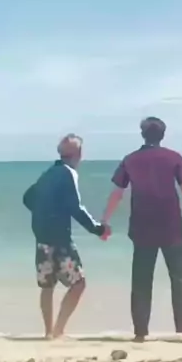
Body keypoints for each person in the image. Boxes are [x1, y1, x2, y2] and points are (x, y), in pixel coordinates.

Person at [101, 117, 182, 342]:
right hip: (171, 225)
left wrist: (104, 221)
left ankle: (140, 334)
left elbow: (117, 193)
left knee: (141, 280)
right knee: (180, 278)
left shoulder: (130, 160)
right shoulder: (173, 157)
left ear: (142, 134)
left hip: (142, 226)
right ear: (162, 135)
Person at [23, 134, 110, 339]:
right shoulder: (68, 173)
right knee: (78, 283)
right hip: (60, 239)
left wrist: (43, 212)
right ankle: (58, 330)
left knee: (47, 286)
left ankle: (48, 332)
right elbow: (76, 208)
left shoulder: (48, 173)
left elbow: (27, 198)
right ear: (78, 154)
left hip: (42, 237)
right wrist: (97, 229)